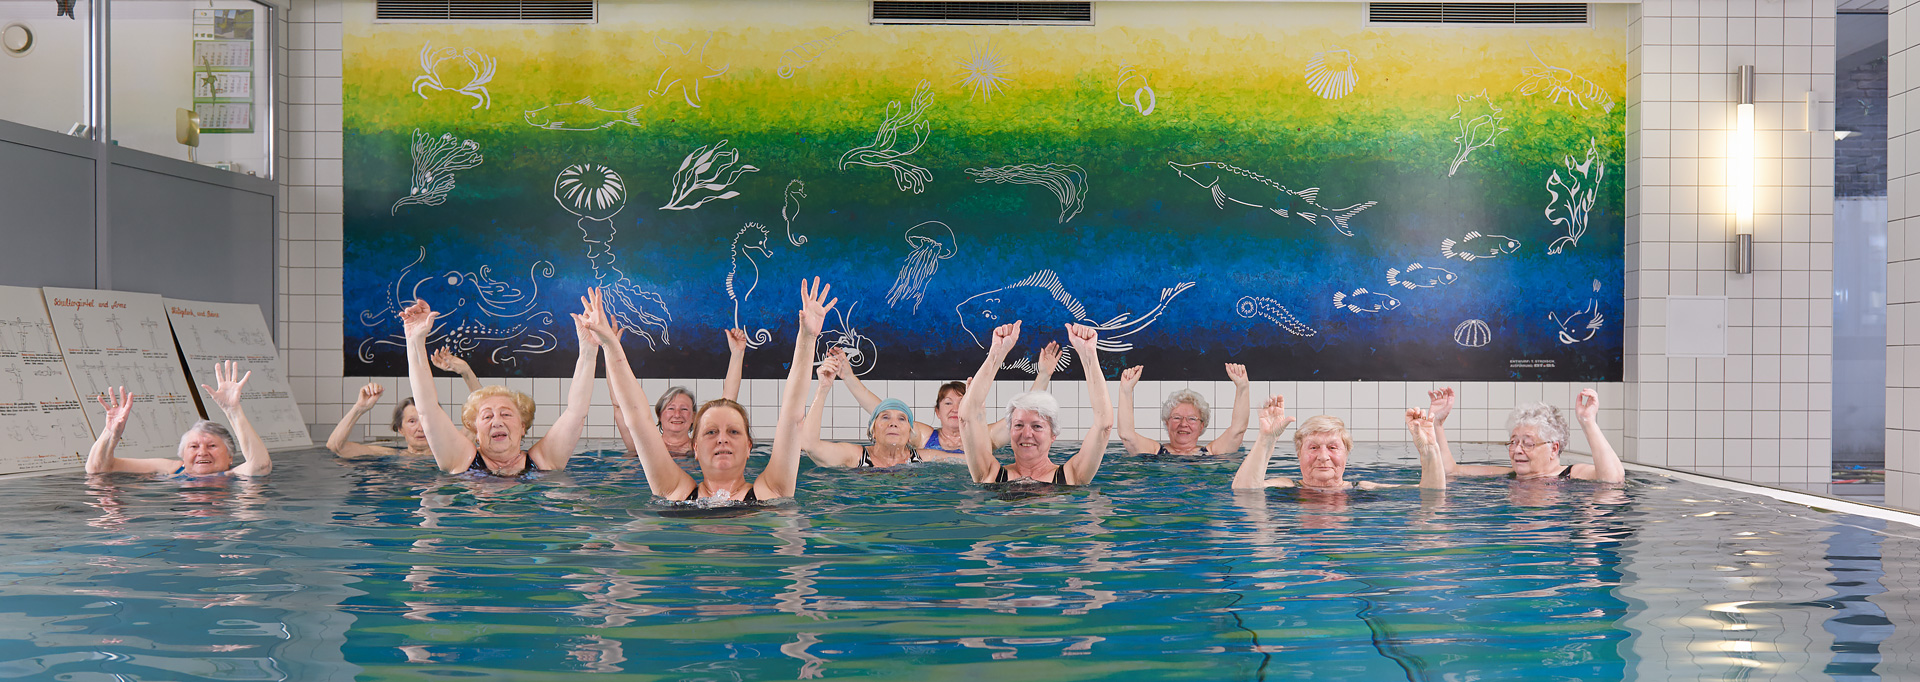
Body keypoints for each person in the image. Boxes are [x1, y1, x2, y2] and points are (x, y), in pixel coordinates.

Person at [585, 279, 828, 502]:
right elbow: (637, 419)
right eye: (711, 432)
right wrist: (609, 344)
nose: (722, 439)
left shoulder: (772, 490)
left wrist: (807, 338)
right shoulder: (675, 490)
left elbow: (791, 418)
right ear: (696, 448)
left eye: (733, 431)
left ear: (749, 447)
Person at [398, 296, 599, 477]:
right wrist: (415, 341)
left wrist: (588, 350)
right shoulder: (461, 460)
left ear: (522, 426)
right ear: (476, 432)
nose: (497, 422)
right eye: (487, 416)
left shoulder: (544, 459)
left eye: (506, 414)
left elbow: (576, 412)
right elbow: (427, 410)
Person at [956, 321, 1114, 486]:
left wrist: (1089, 356)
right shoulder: (990, 473)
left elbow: (1104, 425)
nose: (1026, 434)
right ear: (1010, 431)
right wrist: (996, 353)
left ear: (1053, 435)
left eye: (1037, 426)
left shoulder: (1071, 475)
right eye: (1018, 425)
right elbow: (967, 418)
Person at [836, 342, 1062, 455]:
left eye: (962, 402)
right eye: (948, 403)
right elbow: (881, 411)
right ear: (937, 411)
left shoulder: (986, 436)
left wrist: (1044, 374)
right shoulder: (923, 437)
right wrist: (848, 376)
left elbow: (1025, 410)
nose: (955, 409)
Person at [83, 361, 272, 477]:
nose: (202, 452)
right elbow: (97, 468)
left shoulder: (234, 475)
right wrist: (111, 434)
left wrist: (233, 411)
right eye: (193, 446)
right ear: (182, 455)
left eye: (212, 446)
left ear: (230, 457)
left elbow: (261, 466)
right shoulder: (171, 469)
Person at [1230, 397, 1444, 491]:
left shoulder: (1363, 489)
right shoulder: (1286, 487)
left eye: (1332, 448)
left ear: (1347, 453)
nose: (1323, 456)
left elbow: (1431, 492)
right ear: (1298, 453)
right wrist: (1266, 439)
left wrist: (1429, 450)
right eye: (1313, 447)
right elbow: (1244, 490)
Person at [799, 351, 959, 467]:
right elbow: (811, 446)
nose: (893, 423)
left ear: (910, 435)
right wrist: (823, 388)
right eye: (885, 417)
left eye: (901, 419)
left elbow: (967, 462)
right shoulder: (855, 456)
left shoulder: (926, 458)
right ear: (873, 430)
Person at [1434, 388, 1625, 483]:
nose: (1517, 450)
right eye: (1513, 442)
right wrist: (1437, 424)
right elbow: (1450, 471)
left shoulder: (1571, 475)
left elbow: (1613, 479)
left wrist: (1587, 422)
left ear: (1554, 448)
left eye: (1527, 443)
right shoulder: (1510, 475)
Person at [611, 328, 747, 459]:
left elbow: (727, 407)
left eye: (684, 409)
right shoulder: (643, 446)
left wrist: (737, 353)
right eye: (671, 408)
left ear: (694, 417)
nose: (677, 414)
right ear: (659, 415)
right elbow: (618, 406)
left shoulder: (701, 447)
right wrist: (610, 348)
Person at [325, 347, 482, 459]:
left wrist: (466, 372)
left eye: (426, 420)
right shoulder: (389, 455)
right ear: (400, 428)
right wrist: (359, 408)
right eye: (412, 421)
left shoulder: (452, 450)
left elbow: (482, 412)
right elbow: (336, 446)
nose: (421, 428)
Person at [1116, 363, 1251, 456]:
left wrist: (1242, 387)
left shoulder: (1211, 453)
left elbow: (1237, 431)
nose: (1183, 424)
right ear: (1167, 422)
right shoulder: (1154, 452)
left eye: (1192, 419)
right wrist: (1126, 390)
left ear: (1202, 425)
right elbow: (1127, 435)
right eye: (1177, 417)